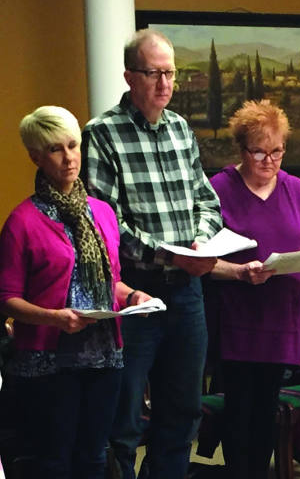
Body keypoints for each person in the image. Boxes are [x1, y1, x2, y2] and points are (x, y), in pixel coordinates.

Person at [81, 29, 222, 479]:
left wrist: (200, 240)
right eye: (153, 73)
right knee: (122, 421)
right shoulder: (102, 135)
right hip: (134, 296)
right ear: (129, 77)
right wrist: (170, 255)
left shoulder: (181, 129)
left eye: (171, 73)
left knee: (181, 414)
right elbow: (105, 224)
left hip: (187, 294)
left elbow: (207, 200)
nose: (164, 83)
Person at [0, 106, 152, 479]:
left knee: (95, 457)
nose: (69, 158)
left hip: (104, 355)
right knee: (55, 460)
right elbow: (7, 299)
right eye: (56, 149)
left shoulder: (101, 213)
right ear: (36, 156)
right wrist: (55, 317)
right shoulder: (22, 222)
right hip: (48, 360)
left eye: (73, 146)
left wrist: (133, 297)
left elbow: (109, 281)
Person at [207, 100, 300, 479]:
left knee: (266, 411)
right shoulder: (219, 189)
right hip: (237, 320)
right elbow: (201, 262)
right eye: (259, 152)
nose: (269, 161)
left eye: (277, 151)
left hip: (282, 320)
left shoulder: (296, 189)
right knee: (239, 412)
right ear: (241, 150)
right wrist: (238, 272)